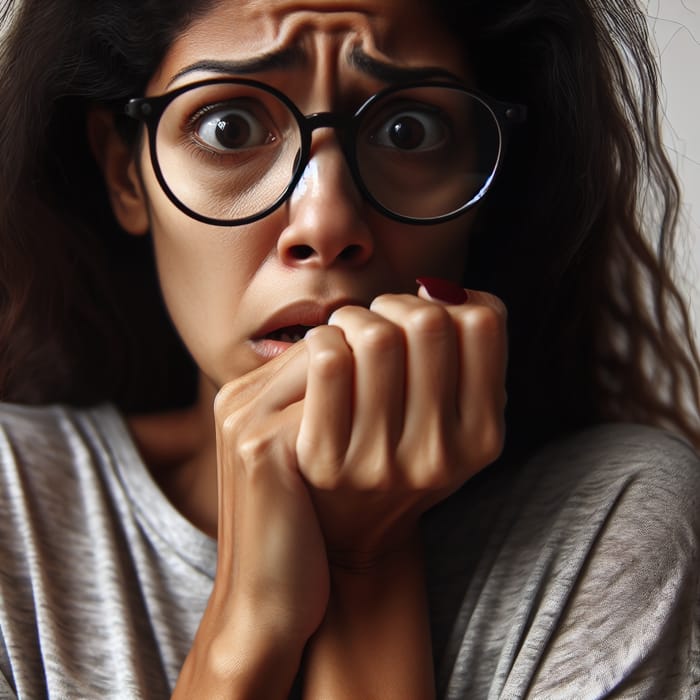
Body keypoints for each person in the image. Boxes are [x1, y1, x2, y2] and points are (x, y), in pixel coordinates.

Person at [0, 0, 698, 697]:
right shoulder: (13, 512)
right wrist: (241, 641)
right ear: (127, 171)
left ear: (488, 183)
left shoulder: (615, 527)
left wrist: (366, 557)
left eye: (407, 129)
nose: (326, 221)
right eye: (229, 126)